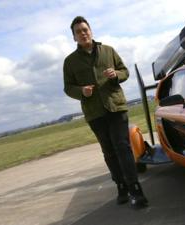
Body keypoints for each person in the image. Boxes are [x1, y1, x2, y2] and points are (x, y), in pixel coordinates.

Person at [63, 16, 148, 208]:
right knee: (109, 151)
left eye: (85, 29)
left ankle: (135, 189)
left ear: (91, 31)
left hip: (116, 107)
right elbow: (68, 87)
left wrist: (116, 75)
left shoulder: (108, 50)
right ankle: (121, 185)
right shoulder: (70, 62)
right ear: (74, 37)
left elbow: (124, 71)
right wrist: (81, 92)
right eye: (78, 32)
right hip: (94, 113)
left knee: (123, 147)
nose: (83, 33)